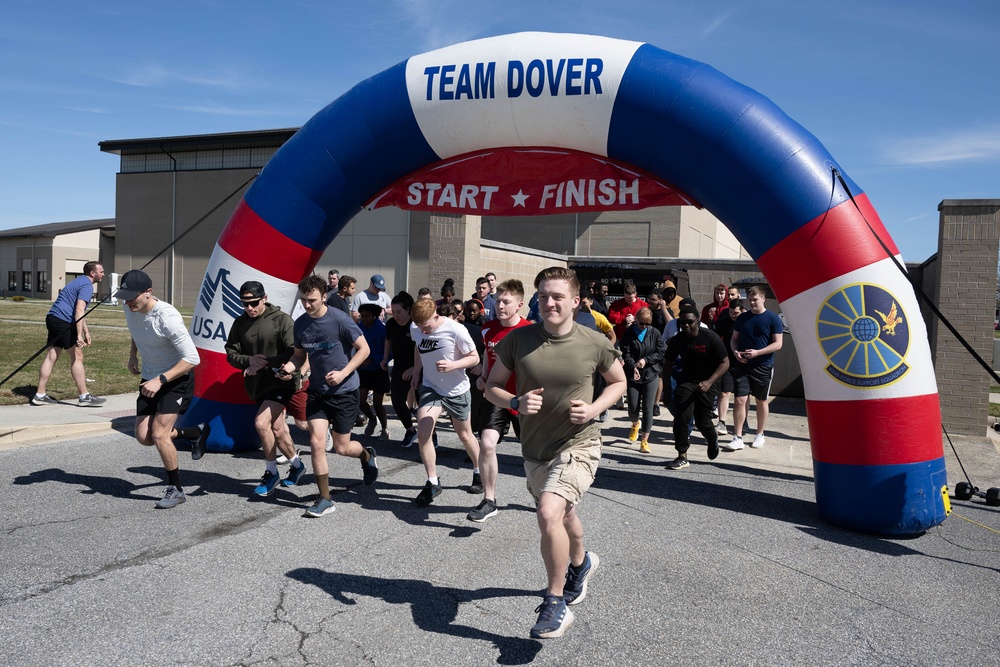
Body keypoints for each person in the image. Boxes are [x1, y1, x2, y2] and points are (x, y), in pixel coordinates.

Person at [485, 266, 626, 640]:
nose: (548, 302)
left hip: (579, 442)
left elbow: (619, 382)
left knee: (549, 510)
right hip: (535, 449)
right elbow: (490, 387)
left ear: (575, 301)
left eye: (557, 296)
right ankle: (580, 565)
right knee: (563, 515)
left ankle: (555, 601)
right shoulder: (518, 340)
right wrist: (515, 400)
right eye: (543, 295)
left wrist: (594, 409)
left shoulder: (593, 341)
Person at [277, 274, 379, 518]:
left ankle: (367, 455)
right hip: (318, 392)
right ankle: (325, 499)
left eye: (312, 300)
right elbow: (299, 356)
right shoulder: (300, 324)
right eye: (303, 300)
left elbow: (364, 350)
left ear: (324, 297)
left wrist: (343, 372)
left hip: (344, 391)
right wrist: (287, 369)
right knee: (315, 443)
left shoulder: (340, 320)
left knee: (342, 448)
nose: (307, 304)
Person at [115, 269, 208, 509]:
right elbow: (136, 331)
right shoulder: (130, 307)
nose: (126, 302)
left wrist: (161, 380)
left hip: (175, 379)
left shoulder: (167, 317)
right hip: (149, 378)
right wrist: (132, 355)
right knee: (144, 437)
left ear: (148, 293)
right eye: (124, 296)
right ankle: (194, 433)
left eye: (131, 297)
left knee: (158, 434)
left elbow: (192, 358)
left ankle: (175, 489)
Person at [224, 281, 306, 496]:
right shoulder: (239, 323)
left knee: (261, 423)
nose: (249, 308)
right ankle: (297, 466)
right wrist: (249, 360)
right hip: (258, 385)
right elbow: (231, 353)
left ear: (264, 298)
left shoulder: (282, 320)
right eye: (245, 304)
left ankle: (271, 472)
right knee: (278, 430)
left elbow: (294, 352)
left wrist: (267, 363)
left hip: (282, 381)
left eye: (253, 303)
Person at [467, 279, 532, 523]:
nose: (500, 306)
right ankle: (489, 500)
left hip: (525, 398)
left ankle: (540, 493)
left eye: (507, 302)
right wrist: (484, 377)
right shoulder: (488, 329)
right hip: (497, 396)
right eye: (498, 301)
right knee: (487, 443)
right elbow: (487, 356)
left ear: (519, 305)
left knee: (533, 452)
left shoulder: (529, 331)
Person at [409, 297, 482, 505]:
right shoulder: (417, 327)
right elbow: (418, 346)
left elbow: (474, 358)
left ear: (436, 316)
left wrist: (453, 365)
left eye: (427, 327)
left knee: (465, 435)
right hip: (431, 387)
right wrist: (416, 371)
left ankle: (478, 470)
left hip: (456, 390)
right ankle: (432, 482)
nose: (423, 331)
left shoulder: (455, 330)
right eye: (420, 327)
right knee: (423, 432)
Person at [662, 305, 730, 469]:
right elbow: (668, 364)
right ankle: (682, 455)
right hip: (687, 381)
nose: (686, 326)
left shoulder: (710, 338)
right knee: (682, 418)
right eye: (682, 322)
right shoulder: (677, 340)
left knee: (702, 422)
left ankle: (712, 438)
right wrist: (666, 390)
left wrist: (709, 381)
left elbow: (725, 362)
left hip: (710, 381)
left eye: (690, 322)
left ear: (698, 321)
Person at [31, 261, 107, 407]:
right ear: (93, 273)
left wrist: (86, 331)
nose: (103, 274)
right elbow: (79, 310)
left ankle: (39, 395)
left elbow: (78, 312)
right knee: (77, 355)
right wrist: (79, 335)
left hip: (53, 318)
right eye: (101, 271)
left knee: (52, 355)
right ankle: (84, 396)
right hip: (63, 321)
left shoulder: (79, 281)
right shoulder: (86, 286)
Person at [724, 286, 783, 452]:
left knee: (761, 400)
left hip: (763, 366)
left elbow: (778, 344)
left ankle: (760, 433)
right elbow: (734, 339)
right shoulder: (743, 318)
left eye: (755, 299)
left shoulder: (773, 318)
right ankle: (737, 436)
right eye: (750, 300)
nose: (752, 302)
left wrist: (758, 353)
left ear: (763, 299)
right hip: (743, 365)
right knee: (739, 399)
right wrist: (736, 353)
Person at [620, 307, 666, 454]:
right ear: (636, 320)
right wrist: (633, 366)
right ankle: (635, 423)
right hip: (633, 373)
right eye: (641, 324)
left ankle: (644, 441)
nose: (644, 326)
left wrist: (646, 360)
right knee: (633, 407)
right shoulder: (629, 332)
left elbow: (661, 351)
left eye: (647, 324)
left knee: (648, 408)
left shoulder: (654, 333)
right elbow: (625, 351)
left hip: (650, 373)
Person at [382, 291, 418, 448]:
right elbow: (388, 341)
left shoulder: (416, 325)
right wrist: (384, 358)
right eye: (393, 311)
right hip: (399, 366)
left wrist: (414, 369)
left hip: (419, 367)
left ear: (408, 310)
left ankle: (432, 434)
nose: (395, 315)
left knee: (424, 404)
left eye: (399, 312)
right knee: (397, 401)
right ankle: (410, 430)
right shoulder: (391, 324)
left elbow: (422, 350)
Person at [356, 302, 391, 439]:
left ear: (375, 316)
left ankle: (384, 428)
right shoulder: (358, 328)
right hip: (363, 369)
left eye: (368, 316)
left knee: (377, 403)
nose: (364, 318)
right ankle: (372, 418)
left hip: (379, 369)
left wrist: (374, 359)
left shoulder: (382, 329)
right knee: (360, 400)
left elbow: (389, 352)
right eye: (362, 316)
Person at [713, 299, 745, 436]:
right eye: (731, 312)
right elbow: (714, 337)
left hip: (743, 362)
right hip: (728, 362)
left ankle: (743, 423)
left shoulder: (746, 323)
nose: (733, 315)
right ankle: (722, 422)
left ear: (742, 311)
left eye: (736, 313)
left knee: (742, 397)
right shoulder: (724, 323)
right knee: (724, 393)